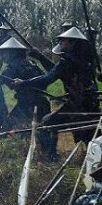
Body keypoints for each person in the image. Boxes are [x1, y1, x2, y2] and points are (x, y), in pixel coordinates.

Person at [15, 27, 99, 160]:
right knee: (91, 133)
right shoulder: (86, 60)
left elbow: (48, 78)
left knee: (48, 122)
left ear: (73, 43)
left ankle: (51, 155)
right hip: (91, 102)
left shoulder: (66, 62)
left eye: (63, 41)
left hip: (78, 104)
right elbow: (56, 72)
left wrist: (24, 83)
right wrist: (40, 57)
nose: (60, 43)